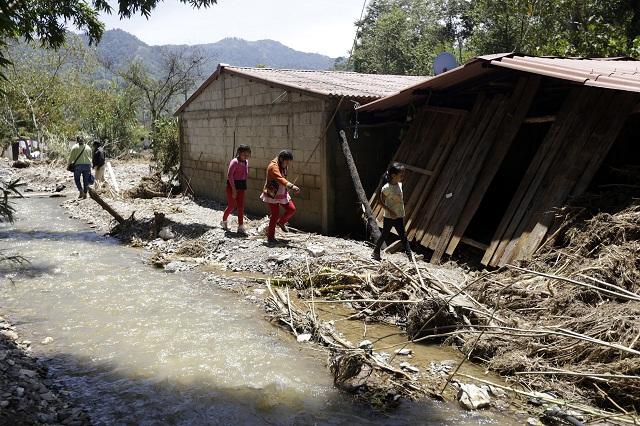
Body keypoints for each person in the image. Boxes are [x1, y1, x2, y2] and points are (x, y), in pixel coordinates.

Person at [372, 163, 411, 261]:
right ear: (393, 175)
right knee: (384, 234)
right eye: (401, 175)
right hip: (389, 217)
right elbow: (380, 202)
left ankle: (410, 256)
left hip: (399, 215)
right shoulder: (386, 188)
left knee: (403, 236)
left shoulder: (400, 185)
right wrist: (391, 211)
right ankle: (376, 252)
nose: (403, 177)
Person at [260, 150, 300, 245]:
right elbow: (279, 178)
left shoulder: (283, 164)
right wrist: (291, 186)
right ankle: (270, 237)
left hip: (282, 192)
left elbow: (283, 177)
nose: (287, 164)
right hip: (272, 193)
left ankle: (281, 222)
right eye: (286, 161)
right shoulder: (273, 166)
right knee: (275, 215)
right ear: (281, 159)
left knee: (291, 209)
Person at [221, 144, 251, 235]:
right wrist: (233, 189)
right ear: (239, 153)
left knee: (241, 206)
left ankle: (241, 226)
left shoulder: (246, 162)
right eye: (244, 154)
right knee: (231, 206)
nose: (246, 156)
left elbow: (245, 174)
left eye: (247, 154)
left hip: (241, 186)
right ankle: (224, 221)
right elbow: (230, 175)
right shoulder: (234, 162)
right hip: (232, 186)